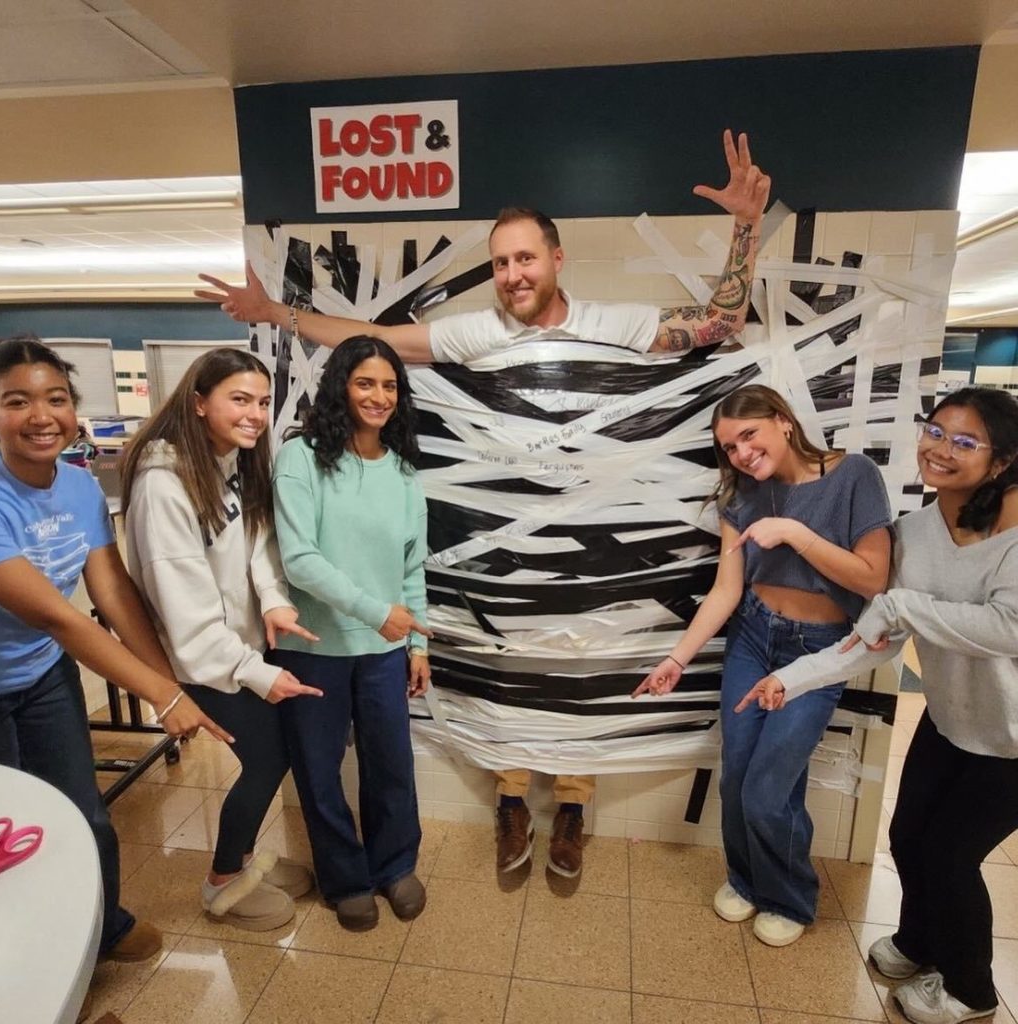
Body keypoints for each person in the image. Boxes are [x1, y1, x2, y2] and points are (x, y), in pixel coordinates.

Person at [198, 129, 772, 878]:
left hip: (595, 550)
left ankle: (572, 805)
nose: (511, 274)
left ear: (557, 258)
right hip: (501, 548)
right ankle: (511, 800)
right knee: (511, 664)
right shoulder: (477, 332)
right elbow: (370, 339)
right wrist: (277, 313)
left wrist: (746, 226)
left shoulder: (617, 323)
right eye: (500, 263)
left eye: (524, 258)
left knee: (583, 667)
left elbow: (719, 324)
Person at [738, 387, 1018, 1022]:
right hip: (950, 722)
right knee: (908, 837)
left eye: (965, 442)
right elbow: (877, 635)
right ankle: (920, 942)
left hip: (1011, 741)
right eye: (935, 431)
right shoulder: (914, 532)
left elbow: (1008, 627)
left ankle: (972, 990)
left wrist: (901, 605)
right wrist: (793, 677)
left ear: (1000, 461)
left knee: (951, 856)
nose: (940, 449)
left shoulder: (1013, 531)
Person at [0, 335, 232, 967]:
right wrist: (165, 698)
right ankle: (24, 965)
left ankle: (101, 931)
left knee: (84, 815)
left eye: (56, 399)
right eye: (16, 402)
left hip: (42, 676)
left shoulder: (79, 488)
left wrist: (170, 681)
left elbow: (115, 594)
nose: (41, 416)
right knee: (5, 834)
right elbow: (58, 617)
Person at [632, 384, 892, 947]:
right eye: (729, 447)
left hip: (819, 649)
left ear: (783, 421)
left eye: (749, 435)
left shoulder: (855, 475)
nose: (742, 454)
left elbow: (874, 579)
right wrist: (677, 658)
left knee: (770, 786)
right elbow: (727, 589)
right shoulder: (742, 494)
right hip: (752, 636)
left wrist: (795, 534)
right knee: (738, 774)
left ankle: (788, 898)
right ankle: (746, 881)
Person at [121, 347, 323, 931]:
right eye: (239, 399)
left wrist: (275, 599)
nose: (255, 414)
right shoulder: (164, 484)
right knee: (267, 759)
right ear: (199, 403)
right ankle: (222, 881)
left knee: (272, 756)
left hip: (237, 649)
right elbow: (186, 616)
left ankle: (241, 861)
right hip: (200, 662)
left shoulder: (231, 459)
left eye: (262, 401)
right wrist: (258, 672)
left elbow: (257, 539)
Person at [269, 335, 432, 931]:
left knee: (391, 765)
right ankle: (345, 879)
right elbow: (300, 561)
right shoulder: (300, 458)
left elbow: (412, 567)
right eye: (365, 382)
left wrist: (418, 643)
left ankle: (395, 866)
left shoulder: (403, 471)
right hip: (314, 648)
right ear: (341, 385)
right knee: (319, 771)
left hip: (385, 649)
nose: (379, 396)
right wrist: (375, 611)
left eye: (389, 385)